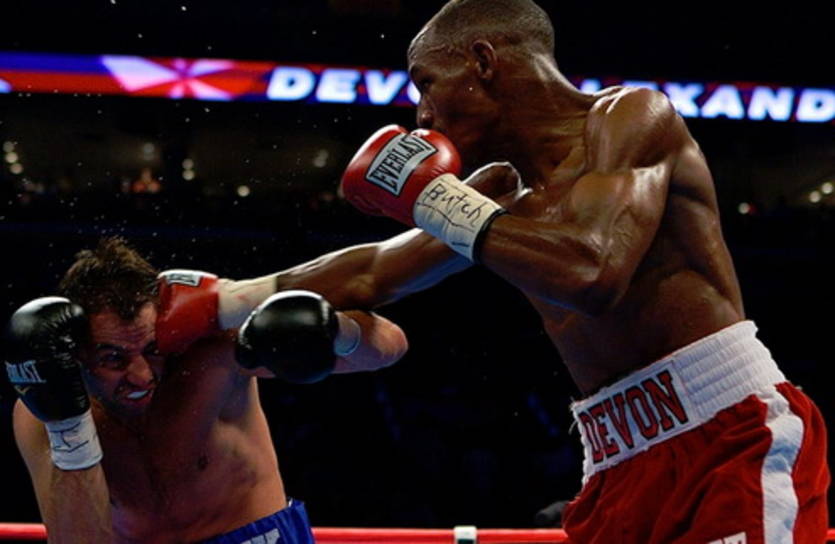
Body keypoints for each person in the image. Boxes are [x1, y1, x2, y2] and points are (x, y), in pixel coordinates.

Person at [281, 0, 831, 542]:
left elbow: (592, 272)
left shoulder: (631, 117)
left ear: (483, 60)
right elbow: (373, 271)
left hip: (728, 435)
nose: (422, 115)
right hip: (614, 464)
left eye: (426, 83)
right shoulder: (500, 189)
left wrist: (433, 199)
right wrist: (237, 296)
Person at [6, 236, 408, 543]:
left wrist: (338, 331)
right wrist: (69, 425)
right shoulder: (42, 413)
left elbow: (391, 347)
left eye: (153, 349)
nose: (142, 375)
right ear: (75, 354)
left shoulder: (212, 351)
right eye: (114, 358)